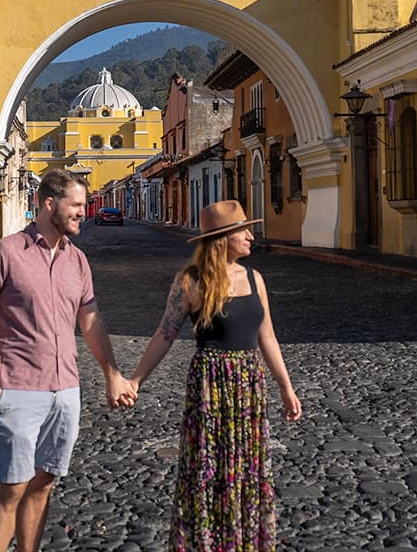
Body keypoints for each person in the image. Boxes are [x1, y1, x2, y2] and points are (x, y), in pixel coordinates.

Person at [0, 168, 136, 552]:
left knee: (44, 483)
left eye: (83, 205)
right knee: (11, 488)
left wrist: (112, 373)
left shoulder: (78, 261)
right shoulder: (6, 253)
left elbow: (90, 320)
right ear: (49, 204)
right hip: (18, 387)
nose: (83, 211)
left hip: (66, 390)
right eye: (76, 205)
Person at [126, 200, 302, 552]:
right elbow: (165, 333)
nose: (251, 236)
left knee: (247, 465)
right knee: (208, 465)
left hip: (249, 384)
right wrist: (135, 380)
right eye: (243, 230)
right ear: (224, 238)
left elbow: (267, 335)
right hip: (210, 383)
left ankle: (243, 542)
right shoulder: (190, 282)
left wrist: (286, 387)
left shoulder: (255, 278)